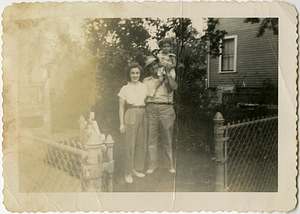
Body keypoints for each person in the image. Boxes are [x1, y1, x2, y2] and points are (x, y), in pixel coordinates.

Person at [143, 55, 178, 174]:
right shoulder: (145, 81)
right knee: (151, 139)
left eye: (154, 64)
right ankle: (152, 165)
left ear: (158, 64)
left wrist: (167, 74)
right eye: (150, 66)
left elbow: (174, 87)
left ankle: (169, 166)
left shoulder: (166, 76)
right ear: (148, 69)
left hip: (166, 108)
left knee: (167, 139)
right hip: (151, 109)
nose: (153, 67)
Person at [118, 63, 148, 183]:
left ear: (140, 74)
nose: (135, 75)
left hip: (143, 113)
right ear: (129, 74)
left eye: (137, 73)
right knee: (129, 144)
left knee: (141, 143)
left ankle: (136, 169)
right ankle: (128, 172)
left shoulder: (144, 87)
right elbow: (121, 107)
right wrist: (121, 123)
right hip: (130, 113)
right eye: (132, 73)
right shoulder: (125, 88)